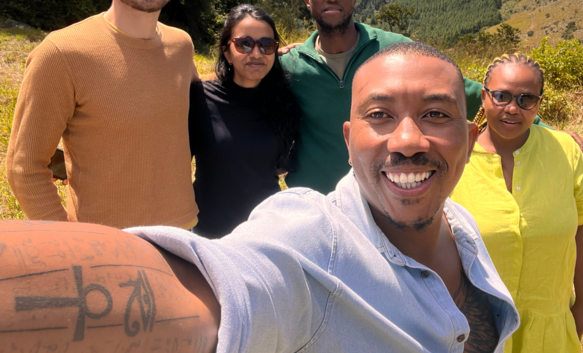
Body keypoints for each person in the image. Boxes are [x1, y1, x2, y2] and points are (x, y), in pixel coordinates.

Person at [0, 43, 519, 353]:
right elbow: (214, 288)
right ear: (347, 139)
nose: (407, 140)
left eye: (435, 114)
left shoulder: (462, 227)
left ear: (469, 140)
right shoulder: (315, 244)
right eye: (379, 115)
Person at [279, 0, 583, 194]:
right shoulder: (290, 66)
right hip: (315, 201)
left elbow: (463, 94)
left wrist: (547, 130)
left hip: (385, 195)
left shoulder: (395, 49)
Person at [5, 0, 200, 229]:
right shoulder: (61, 53)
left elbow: (185, 94)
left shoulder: (181, 45)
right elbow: (23, 169)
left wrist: (261, 61)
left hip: (183, 235)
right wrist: (73, 246)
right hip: (107, 250)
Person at [450, 54, 583, 353]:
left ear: (539, 104)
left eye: (525, 99)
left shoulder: (566, 152)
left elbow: (579, 227)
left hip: (549, 326)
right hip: (475, 329)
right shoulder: (456, 158)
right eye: (501, 96)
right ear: (483, 97)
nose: (512, 109)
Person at [189, 5, 299, 238]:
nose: (256, 53)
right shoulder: (199, 98)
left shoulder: (285, 99)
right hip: (209, 233)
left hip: (265, 234)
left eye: (266, 45)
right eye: (244, 44)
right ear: (227, 52)